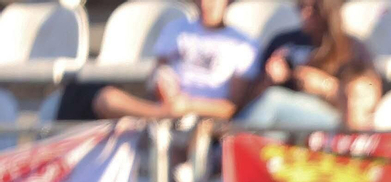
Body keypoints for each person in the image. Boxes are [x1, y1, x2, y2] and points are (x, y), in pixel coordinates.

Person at [56, 0, 258, 122]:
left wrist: (188, 106)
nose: (205, 4)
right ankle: (160, 118)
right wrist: (163, 84)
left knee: (186, 131)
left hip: (204, 118)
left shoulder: (243, 45)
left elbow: (230, 108)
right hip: (163, 109)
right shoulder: (177, 29)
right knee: (104, 98)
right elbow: (158, 73)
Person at [236, 0, 381, 130]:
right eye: (302, 6)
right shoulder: (283, 41)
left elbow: (369, 94)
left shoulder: (350, 47)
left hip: (332, 119)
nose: (305, 13)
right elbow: (249, 100)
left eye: (314, 8)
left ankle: (231, 140)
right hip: (282, 122)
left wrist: (325, 85)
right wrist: (268, 80)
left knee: (274, 99)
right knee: (271, 112)